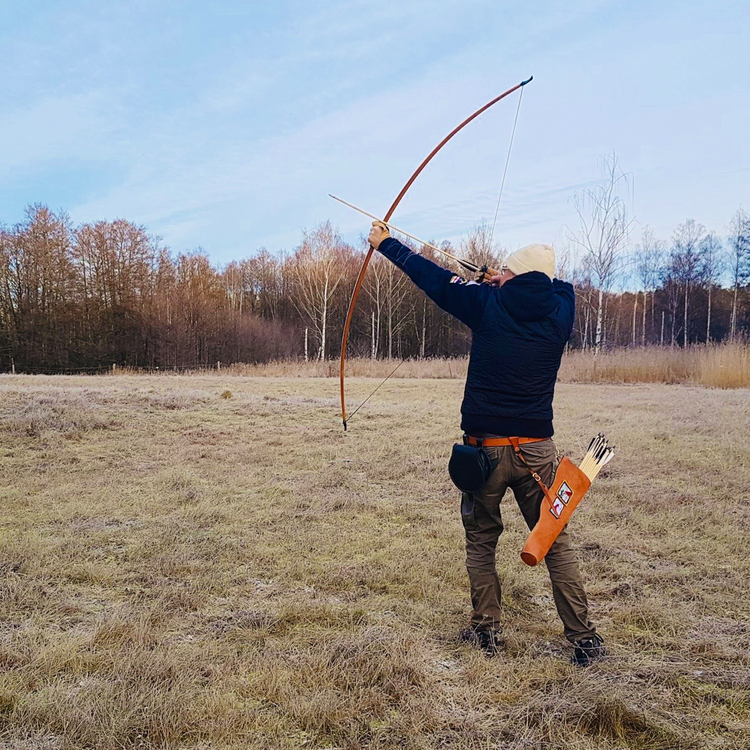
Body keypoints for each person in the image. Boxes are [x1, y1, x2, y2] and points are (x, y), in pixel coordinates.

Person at [367, 220, 605, 667]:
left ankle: (487, 631)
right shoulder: (561, 313)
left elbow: (433, 278)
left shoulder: (487, 303)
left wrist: (386, 245)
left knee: (480, 539)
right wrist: (508, 279)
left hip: (485, 451)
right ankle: (584, 638)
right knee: (555, 541)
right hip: (538, 451)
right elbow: (563, 287)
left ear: (511, 277)